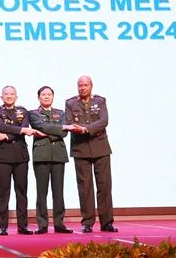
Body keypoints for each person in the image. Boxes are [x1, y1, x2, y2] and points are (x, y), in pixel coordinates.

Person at [0, 85, 46, 236]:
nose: (9, 96)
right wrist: (20, 130)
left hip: (20, 155)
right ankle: (3, 226)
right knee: (3, 192)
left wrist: (7, 135)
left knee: (21, 191)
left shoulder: (23, 111)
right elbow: (0, 126)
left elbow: (24, 128)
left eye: (12, 94)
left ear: (16, 96)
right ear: (1, 97)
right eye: (6, 94)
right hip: (3, 156)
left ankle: (23, 226)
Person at [65, 75, 117, 233]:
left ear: (91, 86)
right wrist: (78, 128)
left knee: (104, 186)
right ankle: (87, 222)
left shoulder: (99, 101)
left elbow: (104, 121)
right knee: (85, 187)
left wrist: (86, 129)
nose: (82, 88)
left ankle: (106, 221)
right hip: (80, 148)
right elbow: (68, 122)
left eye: (85, 85)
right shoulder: (70, 103)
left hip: (100, 147)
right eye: (80, 85)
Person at [28, 86, 74, 234]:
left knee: (58, 191)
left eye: (49, 94)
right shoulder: (33, 114)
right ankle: (42, 224)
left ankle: (59, 223)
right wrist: (59, 129)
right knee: (42, 192)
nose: (46, 97)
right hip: (41, 154)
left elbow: (64, 133)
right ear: (38, 97)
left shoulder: (60, 113)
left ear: (53, 97)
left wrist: (50, 131)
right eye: (43, 95)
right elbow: (40, 126)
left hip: (58, 154)